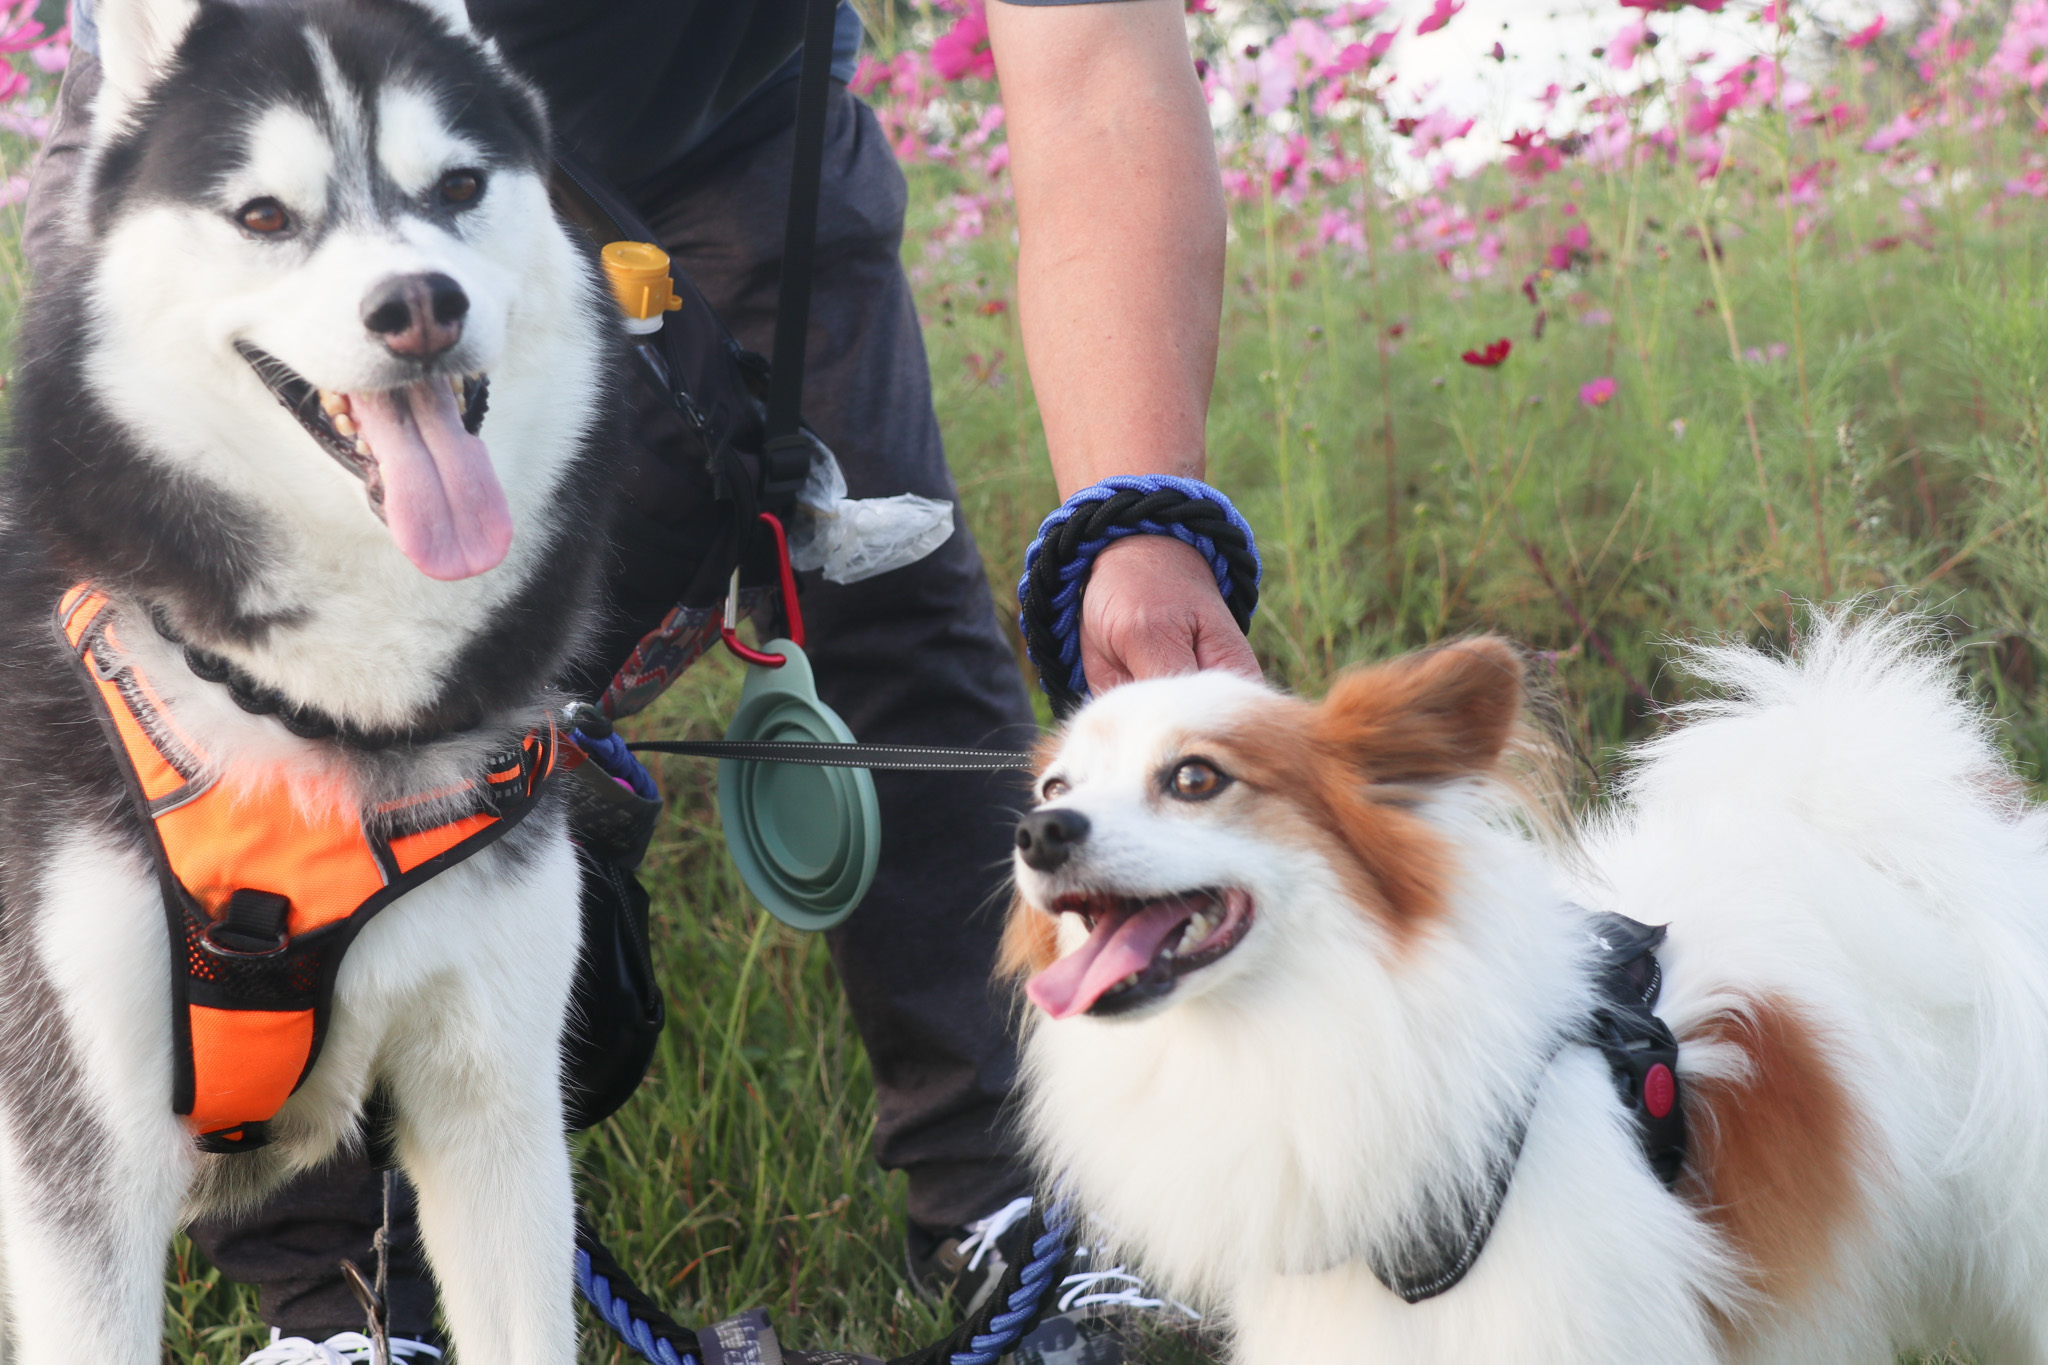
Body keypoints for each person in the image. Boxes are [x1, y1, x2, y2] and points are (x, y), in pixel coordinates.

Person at [20, 0, 1255, 1358]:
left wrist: (1138, 523)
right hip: (251, 115)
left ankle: (1021, 1202)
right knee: (223, 722)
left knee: (881, 596)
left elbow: (1092, 75)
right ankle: (345, 1301)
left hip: (727, 124)